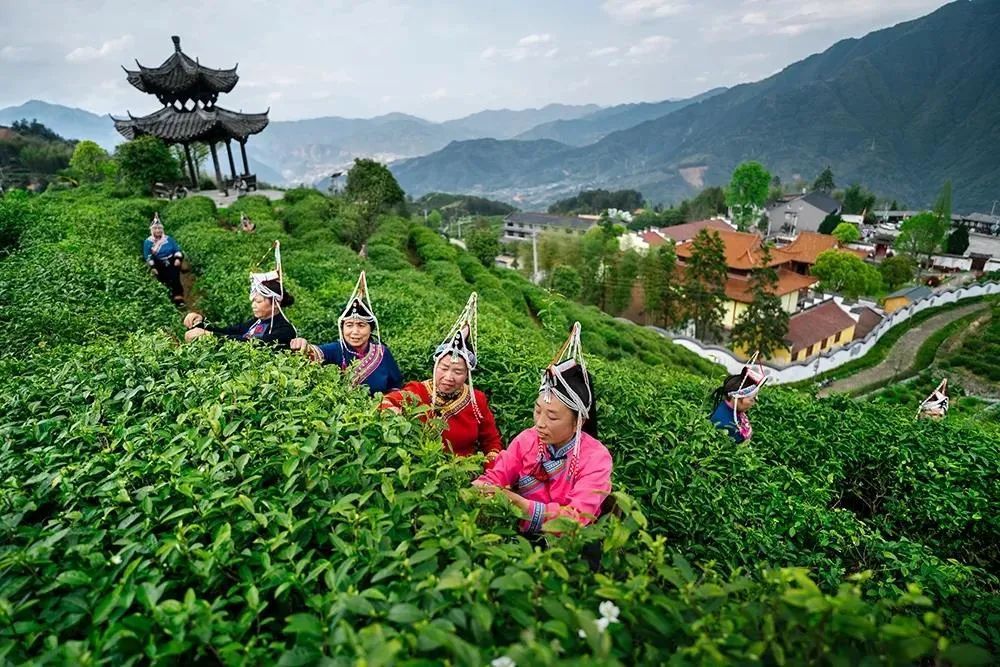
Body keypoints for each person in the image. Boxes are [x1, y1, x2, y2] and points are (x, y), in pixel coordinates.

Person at [473, 322, 612, 536]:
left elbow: (575, 519)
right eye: (538, 411)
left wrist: (522, 505)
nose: (540, 423)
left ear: (579, 422)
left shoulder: (596, 458)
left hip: (569, 546)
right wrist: (481, 488)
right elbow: (495, 476)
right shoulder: (526, 440)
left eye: (552, 416)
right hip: (521, 535)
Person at [380, 293, 503, 467]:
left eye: (458, 371)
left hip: (462, 472)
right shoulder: (417, 391)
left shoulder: (477, 401)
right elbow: (385, 402)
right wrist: (395, 415)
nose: (449, 377)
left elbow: (492, 441)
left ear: (467, 374)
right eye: (444, 368)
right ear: (435, 367)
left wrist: (489, 473)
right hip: (420, 467)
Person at [289, 271, 402, 395]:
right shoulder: (336, 350)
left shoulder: (382, 352)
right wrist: (303, 345)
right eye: (349, 325)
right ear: (342, 328)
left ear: (371, 329)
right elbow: (313, 353)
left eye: (361, 325)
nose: (355, 332)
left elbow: (395, 387)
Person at [183, 241, 297, 349]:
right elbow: (229, 331)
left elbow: (252, 344)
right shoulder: (257, 322)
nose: (253, 305)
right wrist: (201, 322)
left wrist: (209, 336)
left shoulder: (284, 330)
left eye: (258, 301)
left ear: (276, 304)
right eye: (253, 301)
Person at [710, 353, 769, 443]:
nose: (755, 402)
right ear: (736, 398)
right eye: (752, 399)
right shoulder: (723, 423)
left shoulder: (734, 409)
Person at [142, 212, 185, 304]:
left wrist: (177, 259)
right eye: (156, 229)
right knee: (162, 280)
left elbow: (176, 249)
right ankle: (166, 298)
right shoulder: (148, 242)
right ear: (152, 230)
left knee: (174, 278)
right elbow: (147, 255)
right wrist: (153, 267)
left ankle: (178, 296)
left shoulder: (168, 239)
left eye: (159, 229)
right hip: (158, 263)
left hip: (171, 261)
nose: (158, 231)